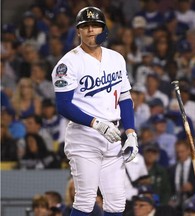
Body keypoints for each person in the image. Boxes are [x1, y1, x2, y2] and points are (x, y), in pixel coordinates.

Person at [51, 6, 138, 216]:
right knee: (86, 199)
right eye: (86, 26)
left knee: (117, 202)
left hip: (114, 135)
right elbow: (63, 105)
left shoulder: (116, 58)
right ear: (78, 31)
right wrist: (95, 123)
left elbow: (125, 97)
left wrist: (131, 132)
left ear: (103, 29)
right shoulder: (68, 63)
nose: (91, 30)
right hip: (84, 135)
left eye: (96, 26)